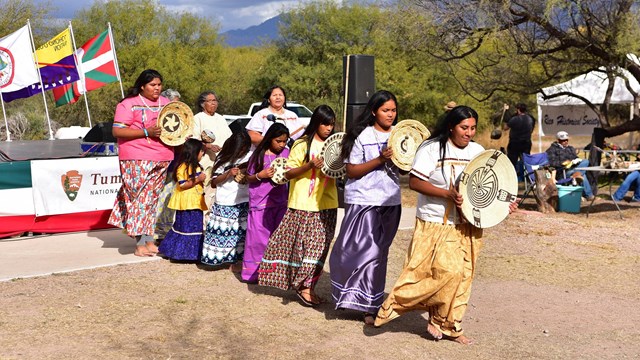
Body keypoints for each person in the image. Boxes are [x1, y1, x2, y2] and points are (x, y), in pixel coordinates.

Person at [374, 105, 518, 345]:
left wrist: (504, 205)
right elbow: (415, 182)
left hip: (468, 223)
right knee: (445, 272)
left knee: (463, 276)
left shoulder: (478, 151)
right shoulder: (432, 149)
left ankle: (448, 323)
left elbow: (487, 186)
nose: (469, 132)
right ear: (451, 126)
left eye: (472, 128)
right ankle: (396, 304)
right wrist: (446, 194)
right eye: (464, 127)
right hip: (436, 221)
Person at [329, 90, 402, 324]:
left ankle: (370, 302)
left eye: (393, 110)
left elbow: (407, 169)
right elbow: (352, 170)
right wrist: (380, 159)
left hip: (390, 201)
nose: (390, 115)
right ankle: (361, 301)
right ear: (374, 111)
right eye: (385, 110)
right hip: (363, 200)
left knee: (380, 254)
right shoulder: (362, 136)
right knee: (360, 252)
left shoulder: (400, 136)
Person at [257, 105, 338, 306]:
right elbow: (287, 173)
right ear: (316, 123)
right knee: (307, 247)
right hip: (304, 203)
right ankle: (303, 287)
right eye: (325, 123)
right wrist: (309, 166)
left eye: (331, 124)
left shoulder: (335, 145)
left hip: (327, 201)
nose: (329, 128)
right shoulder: (302, 144)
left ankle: (308, 286)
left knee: (321, 247)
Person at [108, 69, 173, 257]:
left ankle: (149, 240)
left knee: (152, 199)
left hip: (162, 155)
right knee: (138, 199)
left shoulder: (166, 103)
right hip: (136, 156)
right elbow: (117, 131)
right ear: (142, 86)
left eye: (159, 84)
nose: (157, 88)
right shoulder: (129, 104)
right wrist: (147, 132)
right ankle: (140, 244)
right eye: (153, 85)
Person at [241, 123, 290, 282]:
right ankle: (253, 273)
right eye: (278, 141)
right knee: (258, 239)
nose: (282, 145)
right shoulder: (258, 155)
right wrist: (260, 175)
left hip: (280, 201)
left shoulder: (287, 153)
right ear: (270, 139)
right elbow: (248, 178)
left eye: (284, 141)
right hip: (260, 203)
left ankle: (273, 273)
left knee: (278, 238)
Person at [201, 130, 253, 272]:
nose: (243, 151)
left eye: (246, 148)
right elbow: (213, 182)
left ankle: (237, 261)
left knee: (240, 234)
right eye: (241, 148)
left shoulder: (250, 156)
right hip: (226, 201)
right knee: (225, 233)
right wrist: (228, 174)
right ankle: (222, 259)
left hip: (245, 199)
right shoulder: (223, 158)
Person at [158, 139, 208, 260]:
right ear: (194, 152)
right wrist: (198, 179)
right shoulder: (183, 167)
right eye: (201, 151)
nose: (203, 154)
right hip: (186, 203)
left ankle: (193, 254)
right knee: (185, 228)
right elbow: (183, 185)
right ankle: (180, 253)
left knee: (196, 228)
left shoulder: (197, 166)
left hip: (196, 202)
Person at [192, 91, 233, 209]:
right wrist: (209, 146)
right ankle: (202, 218)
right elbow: (193, 140)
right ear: (202, 104)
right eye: (210, 101)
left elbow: (229, 137)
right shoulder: (198, 118)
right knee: (205, 189)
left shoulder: (221, 118)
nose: (213, 103)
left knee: (217, 191)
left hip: (222, 160)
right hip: (205, 160)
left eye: (215, 101)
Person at [154, 89, 182, 242]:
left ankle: (165, 231)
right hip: (160, 165)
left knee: (169, 200)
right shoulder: (158, 120)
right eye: (174, 103)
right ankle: (155, 232)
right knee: (159, 199)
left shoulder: (180, 121)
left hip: (174, 165)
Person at [545, 131, 594, 200]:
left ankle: (577, 175)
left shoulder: (570, 148)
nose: (565, 142)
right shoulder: (552, 150)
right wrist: (563, 163)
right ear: (558, 140)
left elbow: (575, 158)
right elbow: (552, 163)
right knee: (583, 175)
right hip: (563, 172)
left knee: (586, 161)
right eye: (563, 140)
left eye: (566, 140)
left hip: (574, 168)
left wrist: (576, 160)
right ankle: (589, 196)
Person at [503, 103, 535, 169]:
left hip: (515, 143)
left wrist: (506, 117)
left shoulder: (514, 119)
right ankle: (526, 176)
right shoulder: (530, 119)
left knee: (512, 162)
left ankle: (513, 175)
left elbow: (505, 128)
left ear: (518, 110)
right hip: (526, 143)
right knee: (525, 161)